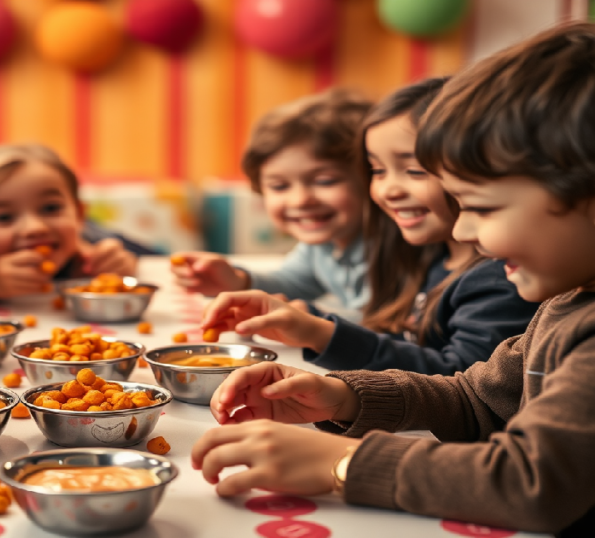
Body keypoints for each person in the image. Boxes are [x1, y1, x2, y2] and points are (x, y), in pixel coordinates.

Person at [191, 22, 595, 536]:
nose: (467, 230)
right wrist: (341, 395)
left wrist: (343, 464)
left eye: (483, 208)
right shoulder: (568, 302)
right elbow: (478, 399)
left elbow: (532, 482)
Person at [200, 78, 537, 375]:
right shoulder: (435, 257)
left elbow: (465, 383)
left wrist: (321, 333)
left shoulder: (497, 275)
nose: (389, 189)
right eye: (377, 171)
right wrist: (309, 320)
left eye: (415, 170)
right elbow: (405, 341)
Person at [171, 89, 373, 319]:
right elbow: (292, 283)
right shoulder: (322, 244)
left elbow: (387, 328)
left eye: (324, 181)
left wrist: (313, 319)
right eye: (279, 186)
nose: (300, 200)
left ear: (373, 176)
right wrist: (238, 281)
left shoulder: (391, 248)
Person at [0, 143, 138, 299]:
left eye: (51, 208)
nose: (35, 228)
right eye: (4, 217)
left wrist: (123, 263)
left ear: (78, 215)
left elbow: (154, 259)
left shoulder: (91, 240)